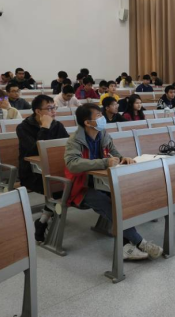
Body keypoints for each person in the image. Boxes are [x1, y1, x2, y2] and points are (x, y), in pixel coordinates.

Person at [64, 104, 163, 260]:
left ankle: (125, 247)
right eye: (98, 116)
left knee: (122, 200)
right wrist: (104, 162)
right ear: (87, 122)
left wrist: (123, 158)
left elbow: (114, 153)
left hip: (103, 182)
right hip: (81, 187)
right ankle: (141, 242)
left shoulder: (102, 134)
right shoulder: (75, 140)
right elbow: (72, 164)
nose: (102, 118)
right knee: (109, 205)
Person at [17, 94, 69, 241]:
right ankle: (46, 217)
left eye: (54, 107)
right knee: (61, 186)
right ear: (38, 111)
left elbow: (67, 146)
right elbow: (35, 150)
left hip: (54, 168)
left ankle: (43, 220)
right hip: (32, 172)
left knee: (71, 183)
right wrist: (45, 127)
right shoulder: (23, 128)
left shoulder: (57, 125)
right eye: (50, 108)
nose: (54, 111)